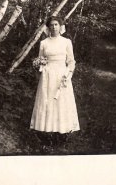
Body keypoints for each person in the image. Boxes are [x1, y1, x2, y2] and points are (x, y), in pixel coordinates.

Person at [30, 16, 80, 145]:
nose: (54, 27)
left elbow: (71, 61)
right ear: (48, 27)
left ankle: (62, 132)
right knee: (48, 101)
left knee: (62, 102)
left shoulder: (66, 42)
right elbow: (41, 59)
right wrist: (40, 65)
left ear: (61, 26)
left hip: (62, 75)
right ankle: (47, 131)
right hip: (48, 76)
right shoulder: (44, 43)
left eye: (56, 24)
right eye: (51, 25)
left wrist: (68, 74)